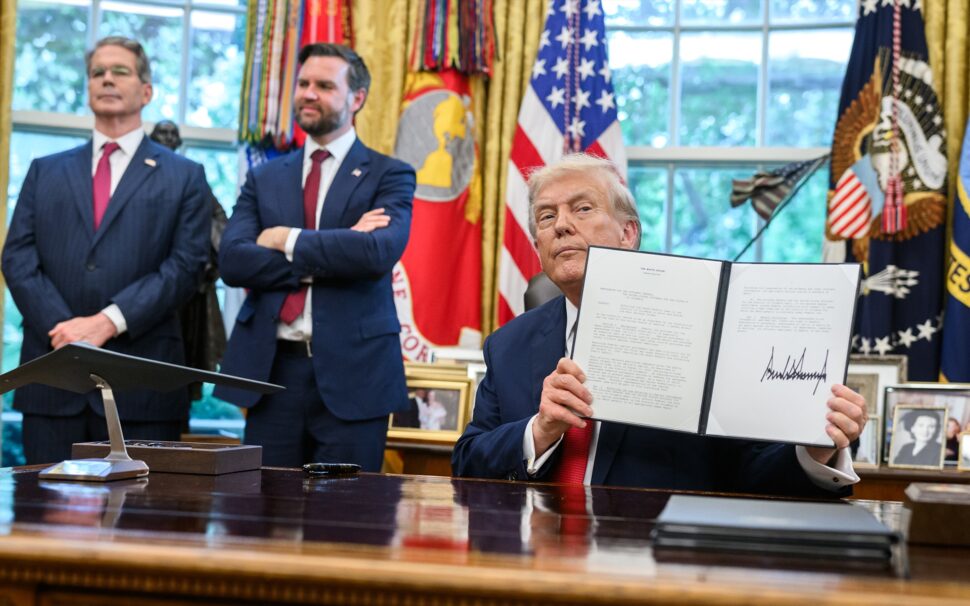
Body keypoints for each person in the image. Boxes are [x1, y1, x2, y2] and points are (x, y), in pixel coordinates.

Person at [452, 153, 868, 497]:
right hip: (532, 566)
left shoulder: (708, 330)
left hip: (658, 566)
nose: (561, 225)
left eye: (582, 208)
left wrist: (815, 452)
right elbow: (466, 462)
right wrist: (540, 430)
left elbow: (749, 473)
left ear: (628, 233)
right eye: (546, 217)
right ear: (538, 245)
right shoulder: (508, 345)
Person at [2, 36, 211, 465]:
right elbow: (17, 258)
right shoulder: (46, 171)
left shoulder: (185, 176)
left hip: (142, 389)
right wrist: (67, 329)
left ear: (146, 91)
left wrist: (106, 323)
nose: (107, 80)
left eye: (120, 71)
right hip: (52, 383)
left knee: (137, 525)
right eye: (98, 73)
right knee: (45, 523)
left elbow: (186, 267)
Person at [213, 43, 415, 471]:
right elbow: (232, 262)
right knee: (260, 522)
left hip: (355, 378)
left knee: (345, 525)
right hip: (271, 375)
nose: (307, 93)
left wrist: (284, 238)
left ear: (356, 98)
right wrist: (338, 247)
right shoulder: (264, 177)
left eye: (324, 85)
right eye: (303, 83)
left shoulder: (390, 174)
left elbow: (375, 253)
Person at [148, 120, 228, 400]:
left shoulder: (191, 176)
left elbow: (219, 218)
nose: (168, 139)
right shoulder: (140, 176)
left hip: (189, 286)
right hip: (148, 280)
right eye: (163, 134)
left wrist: (209, 253)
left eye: (173, 134)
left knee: (184, 359)